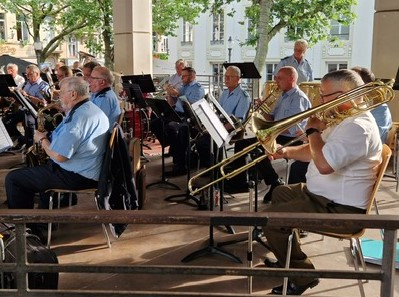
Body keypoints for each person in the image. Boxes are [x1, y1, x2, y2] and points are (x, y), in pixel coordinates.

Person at [261, 69, 381, 296]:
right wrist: (285, 151)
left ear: (345, 94)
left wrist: (313, 130)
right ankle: (288, 256)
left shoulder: (358, 126)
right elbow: (314, 151)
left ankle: (303, 275)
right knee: (280, 194)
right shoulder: (344, 118)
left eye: (324, 95)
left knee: (271, 221)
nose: (319, 101)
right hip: (324, 197)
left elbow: (324, 164)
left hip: (341, 210)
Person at [5, 76, 109, 211]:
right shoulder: (88, 109)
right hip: (87, 169)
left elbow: (60, 156)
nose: (58, 96)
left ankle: (24, 228)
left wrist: (42, 140)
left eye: (61, 93)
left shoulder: (79, 118)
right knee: (34, 172)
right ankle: (43, 220)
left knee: (14, 179)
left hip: (77, 175)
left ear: (73, 94)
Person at [232, 66, 311, 200]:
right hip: (278, 133)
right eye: (275, 77)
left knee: (258, 148)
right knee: (243, 142)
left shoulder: (298, 98)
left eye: (279, 78)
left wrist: (269, 133)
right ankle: (240, 181)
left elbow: (290, 127)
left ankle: (273, 182)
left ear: (291, 79)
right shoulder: (282, 95)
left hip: (292, 138)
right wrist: (262, 110)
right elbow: (272, 119)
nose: (276, 81)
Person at [150, 67, 205, 176]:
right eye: (181, 76)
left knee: (176, 128)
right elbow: (172, 103)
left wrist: (178, 94)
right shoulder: (182, 87)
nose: (182, 78)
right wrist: (170, 93)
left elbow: (191, 106)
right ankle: (172, 145)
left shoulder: (197, 88)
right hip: (177, 113)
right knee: (155, 123)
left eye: (184, 76)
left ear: (192, 77)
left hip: (190, 116)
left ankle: (181, 164)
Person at [196, 65, 250, 168]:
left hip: (232, 129)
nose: (227, 79)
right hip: (221, 124)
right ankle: (209, 167)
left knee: (205, 141)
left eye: (230, 76)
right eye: (225, 76)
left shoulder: (243, 96)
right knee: (199, 136)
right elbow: (219, 112)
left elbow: (238, 121)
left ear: (238, 79)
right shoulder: (225, 93)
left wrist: (217, 129)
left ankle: (214, 168)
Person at [351, 66, 392, 144]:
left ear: (365, 85)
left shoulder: (380, 108)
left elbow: (370, 139)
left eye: (351, 80)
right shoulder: (351, 105)